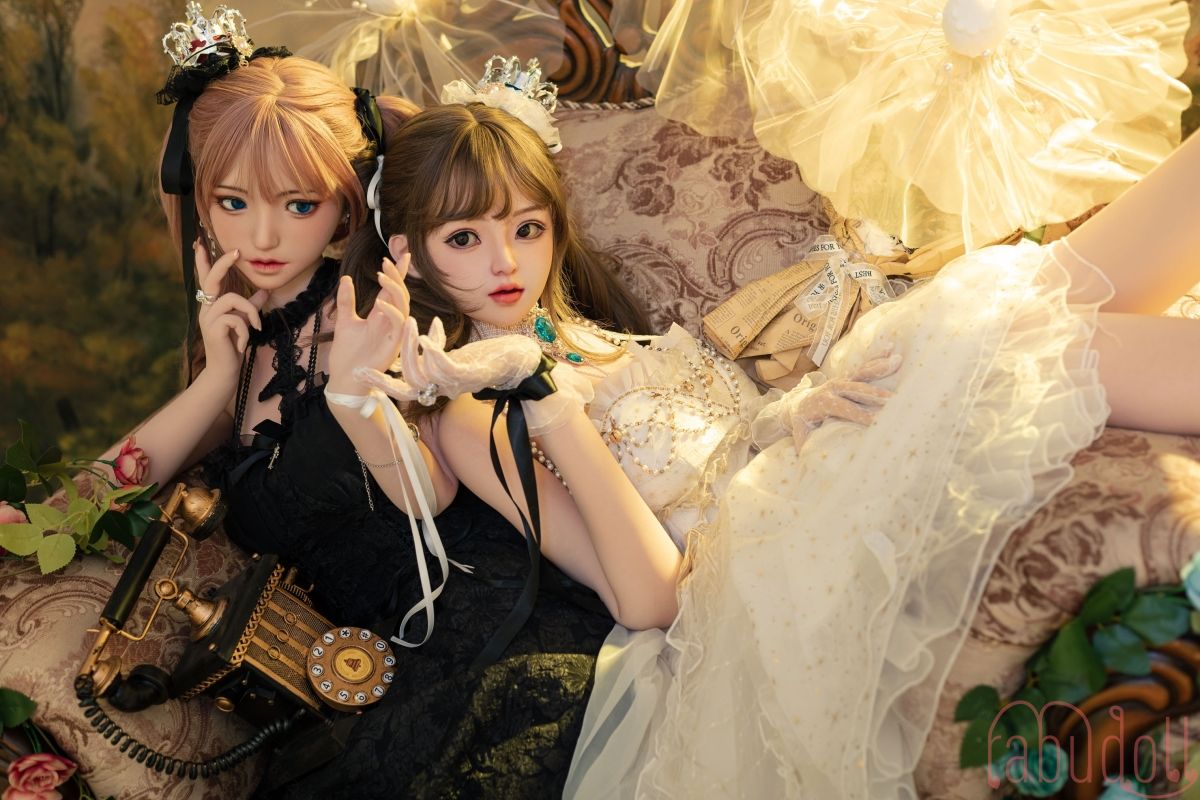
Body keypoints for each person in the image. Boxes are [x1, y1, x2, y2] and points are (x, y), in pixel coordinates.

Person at [333, 61, 1200, 799]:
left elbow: (726, 439)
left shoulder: (592, 335)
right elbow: (650, 598)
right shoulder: (475, 412)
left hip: (802, 479)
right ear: (408, 253)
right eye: (464, 238)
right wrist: (544, 395)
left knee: (1021, 309)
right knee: (1000, 325)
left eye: (526, 228)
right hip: (756, 572)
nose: (504, 262)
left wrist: (796, 412)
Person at [87, 7, 644, 797]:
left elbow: (431, 488)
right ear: (197, 202)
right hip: (365, 669)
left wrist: (356, 396)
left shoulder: (386, 310)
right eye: (233, 203)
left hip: (485, 627)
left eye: (299, 205)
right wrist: (214, 377)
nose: (264, 238)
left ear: (348, 207)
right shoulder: (238, 343)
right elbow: (106, 490)